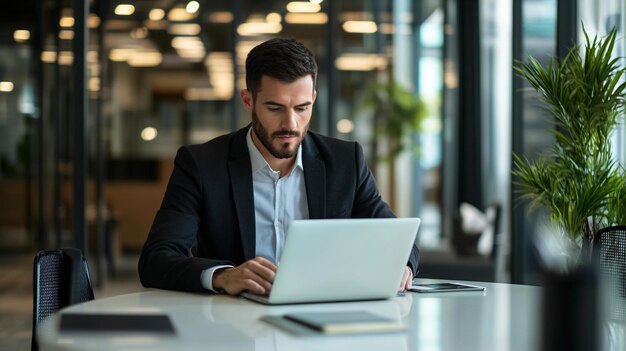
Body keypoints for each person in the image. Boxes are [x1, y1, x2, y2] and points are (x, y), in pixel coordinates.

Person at [138, 38, 419, 296]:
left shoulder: (345, 161)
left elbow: (400, 241)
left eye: (302, 108)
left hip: (325, 317)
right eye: (275, 108)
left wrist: (402, 266)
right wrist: (224, 276)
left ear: (314, 100)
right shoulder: (201, 164)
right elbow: (156, 259)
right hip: (232, 324)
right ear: (248, 100)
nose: (291, 124)